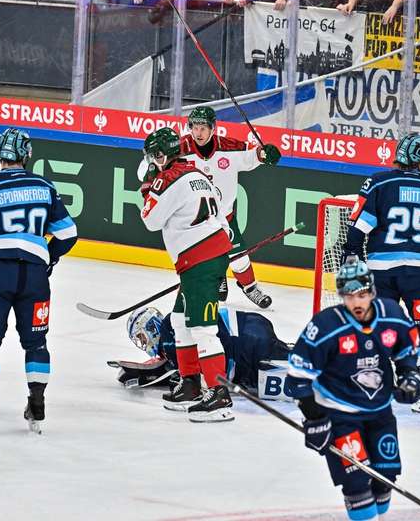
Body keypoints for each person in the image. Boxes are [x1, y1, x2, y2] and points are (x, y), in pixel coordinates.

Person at [0, 128, 78, 433]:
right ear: (26, 154)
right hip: (34, 276)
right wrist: (47, 256)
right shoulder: (45, 187)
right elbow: (68, 234)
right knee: (36, 342)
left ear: (0, 154)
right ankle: (37, 402)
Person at [286, 259, 420, 521]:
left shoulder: (392, 314)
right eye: (349, 297)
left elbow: (406, 350)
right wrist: (315, 419)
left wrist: (410, 375)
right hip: (340, 415)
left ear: (372, 292)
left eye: (361, 295)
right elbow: (298, 378)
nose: (356, 303)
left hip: (380, 413)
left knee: (385, 478)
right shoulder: (326, 326)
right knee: (357, 482)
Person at [342, 133, 420, 414]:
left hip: (381, 271)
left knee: (376, 324)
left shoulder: (378, 182)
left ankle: (370, 382)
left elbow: (358, 227)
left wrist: (352, 254)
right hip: (419, 272)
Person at [139, 127, 235, 423]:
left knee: (203, 328)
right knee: (180, 320)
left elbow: (150, 221)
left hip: (199, 261)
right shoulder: (198, 174)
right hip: (206, 256)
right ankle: (190, 384)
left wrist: (147, 187)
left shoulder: (167, 179)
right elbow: (222, 221)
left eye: (152, 157)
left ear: (160, 156)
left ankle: (219, 395)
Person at [168, 106, 281, 308]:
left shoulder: (229, 147)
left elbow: (253, 155)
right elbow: (158, 163)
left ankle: (250, 287)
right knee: (199, 259)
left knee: (239, 257)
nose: (198, 133)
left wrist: (265, 154)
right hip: (194, 221)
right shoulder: (180, 149)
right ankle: (217, 277)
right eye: (195, 128)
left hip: (224, 218)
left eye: (203, 128)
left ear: (213, 128)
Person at [116, 305, 291, 390]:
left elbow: (188, 374)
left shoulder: (170, 330)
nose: (143, 343)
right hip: (247, 336)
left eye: (142, 337)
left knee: (296, 374)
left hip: (247, 341)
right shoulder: (170, 338)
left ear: (151, 328)